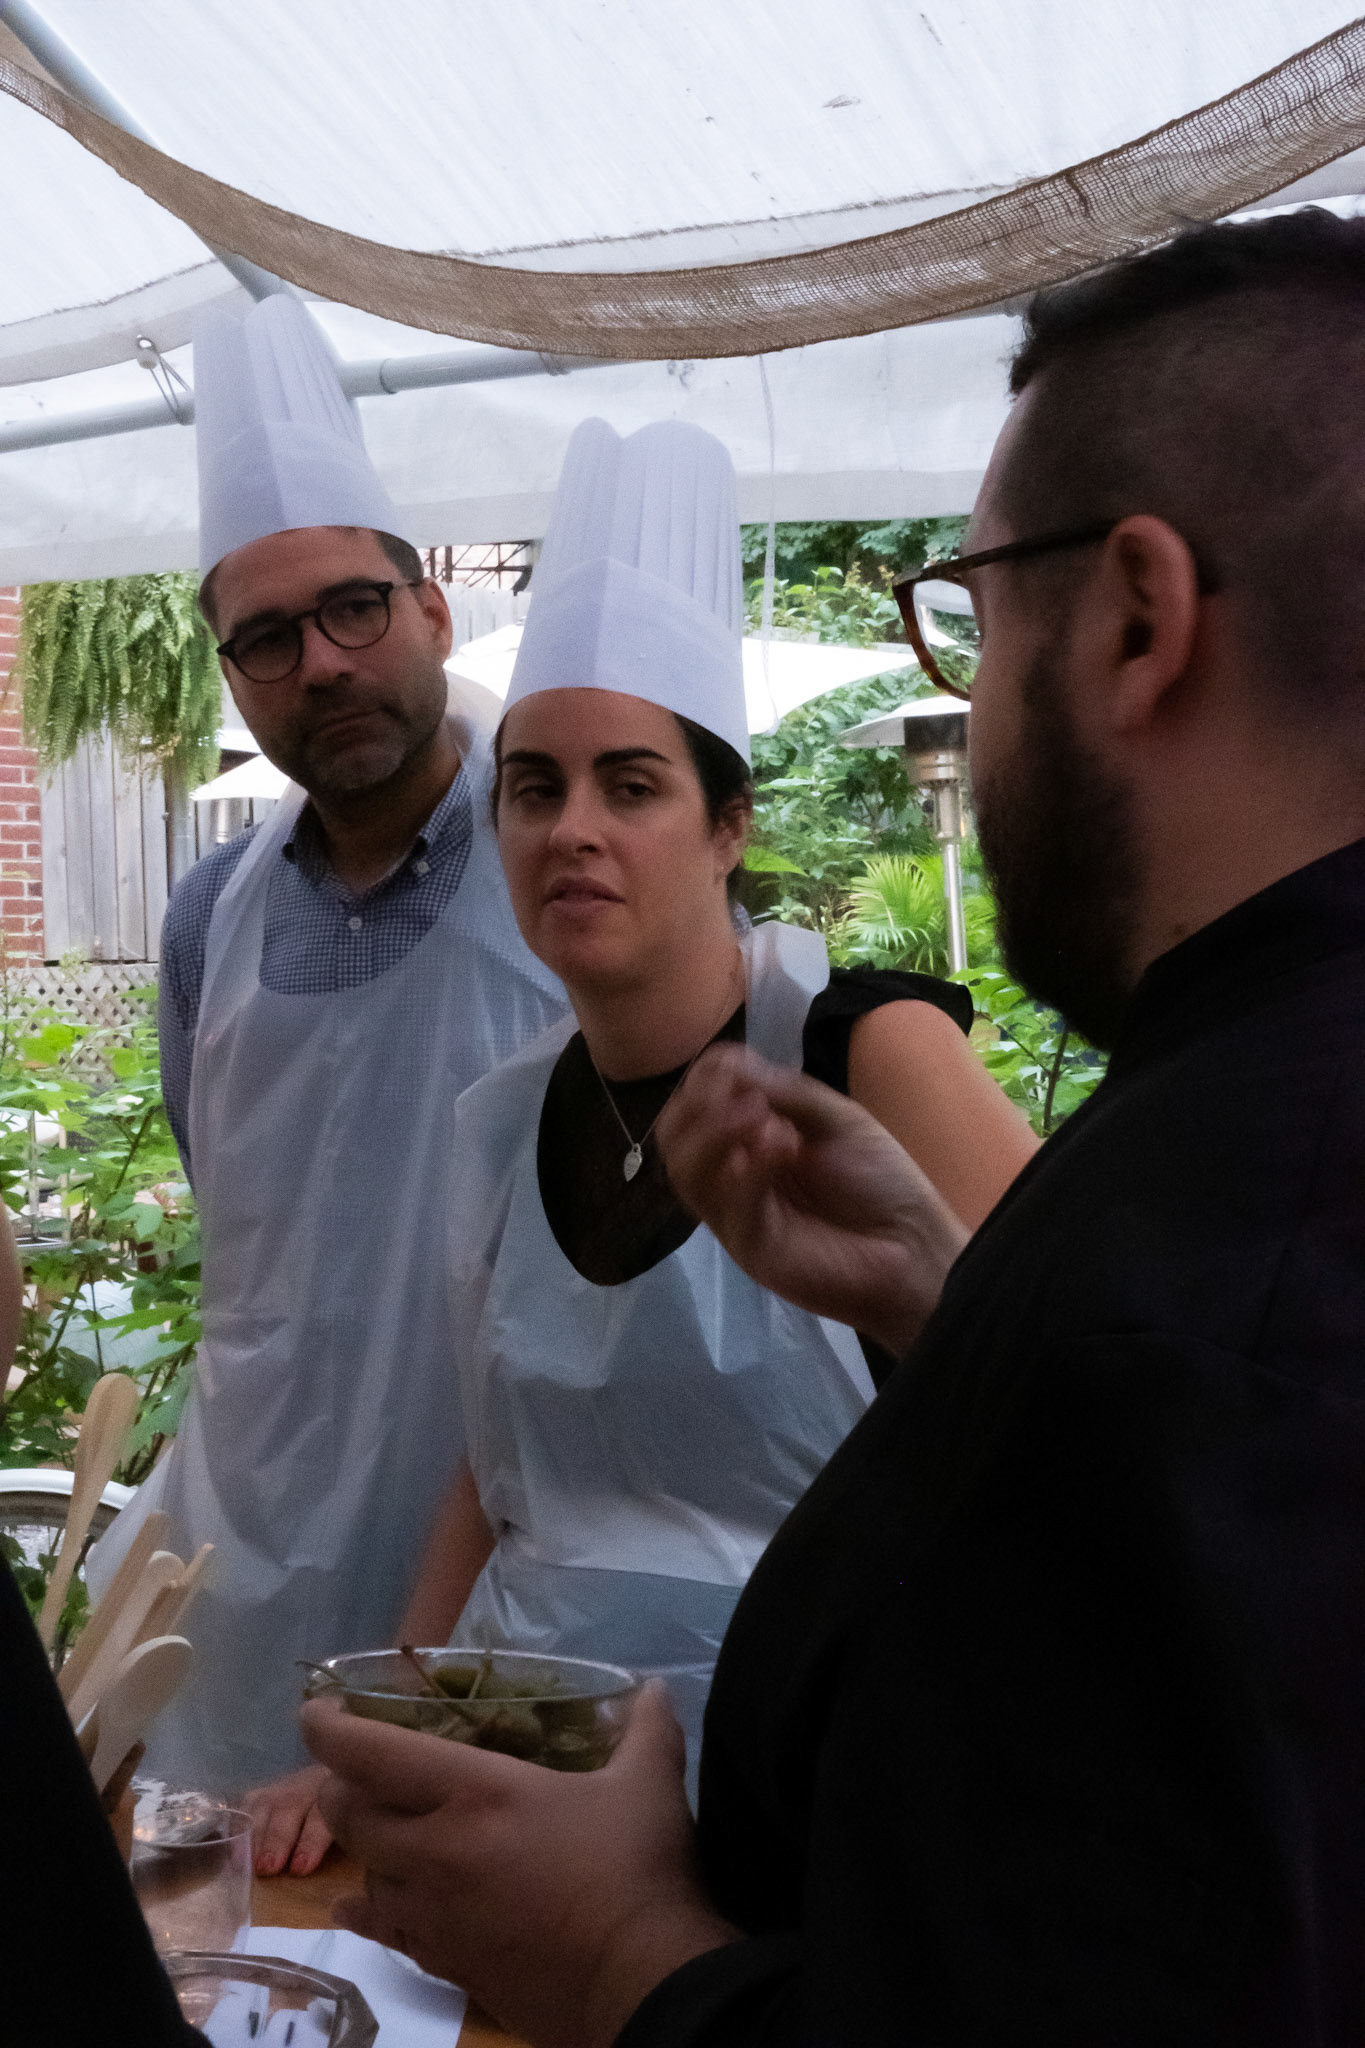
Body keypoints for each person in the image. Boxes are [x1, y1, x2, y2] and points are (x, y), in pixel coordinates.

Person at [301, 209, 1365, 2047]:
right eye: (534, 787)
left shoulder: (1199, 1206)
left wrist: (629, 1955)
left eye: (976, 620)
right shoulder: (1222, 1143)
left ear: (1136, 618)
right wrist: (950, 1310)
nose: (573, 832)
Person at [265, 417, 1033, 1878]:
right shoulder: (502, 1123)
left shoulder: (865, 1054)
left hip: (820, 1798)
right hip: (529, 1796)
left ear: (728, 824)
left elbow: (1080, 1396)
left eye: (631, 785)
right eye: (535, 788)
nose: (573, 831)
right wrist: (379, 1717)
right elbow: (496, 1475)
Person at [89, 293, 567, 1816]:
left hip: (491, 1550)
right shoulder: (208, 916)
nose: (321, 662)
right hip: (242, 1551)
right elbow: (242, 1218)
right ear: (233, 674)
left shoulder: (564, 868)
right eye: (268, 637)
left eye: (353, 609)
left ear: (430, 610)